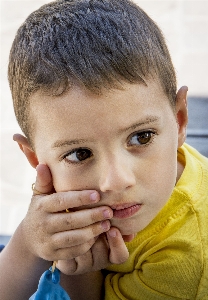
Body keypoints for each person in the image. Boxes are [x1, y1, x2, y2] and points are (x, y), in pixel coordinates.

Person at [0, 0, 208, 299]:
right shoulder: (71, 200)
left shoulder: (187, 259)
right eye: (80, 154)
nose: (116, 180)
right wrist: (29, 241)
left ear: (179, 121)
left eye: (142, 137)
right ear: (35, 158)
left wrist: (80, 271)